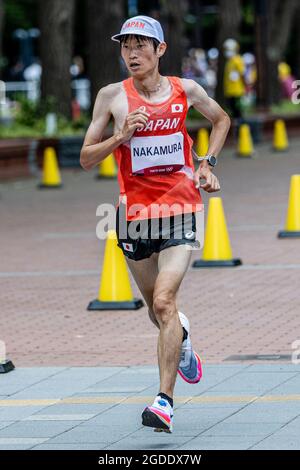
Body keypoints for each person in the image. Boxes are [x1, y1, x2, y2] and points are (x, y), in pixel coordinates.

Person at [80, 16, 230, 434]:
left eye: (142, 45)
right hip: (133, 218)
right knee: (157, 312)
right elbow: (86, 157)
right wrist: (120, 137)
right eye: (126, 45)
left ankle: (163, 401)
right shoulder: (112, 96)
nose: (132, 53)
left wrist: (207, 164)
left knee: (165, 300)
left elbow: (221, 120)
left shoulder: (186, 90)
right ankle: (181, 338)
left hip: (182, 210)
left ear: (160, 50)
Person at [223, 38, 246, 121]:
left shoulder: (238, 60)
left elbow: (242, 74)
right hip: (229, 90)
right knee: (232, 109)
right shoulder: (229, 62)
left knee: (237, 109)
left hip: (237, 90)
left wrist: (245, 86)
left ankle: (241, 126)